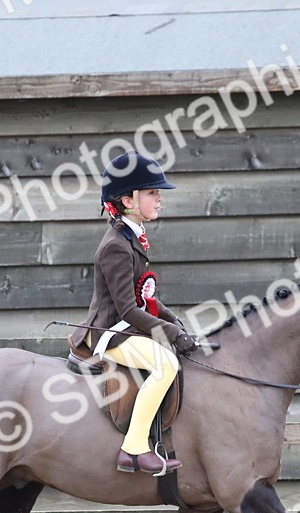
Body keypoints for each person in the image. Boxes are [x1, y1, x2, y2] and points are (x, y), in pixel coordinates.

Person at [70, 152, 197, 475]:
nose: (159, 199)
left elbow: (145, 295)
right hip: (110, 332)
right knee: (165, 364)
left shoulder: (131, 236)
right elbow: (128, 308)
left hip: (126, 326)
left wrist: (175, 322)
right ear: (128, 201)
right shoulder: (116, 245)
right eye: (152, 193)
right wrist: (172, 334)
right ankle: (134, 449)